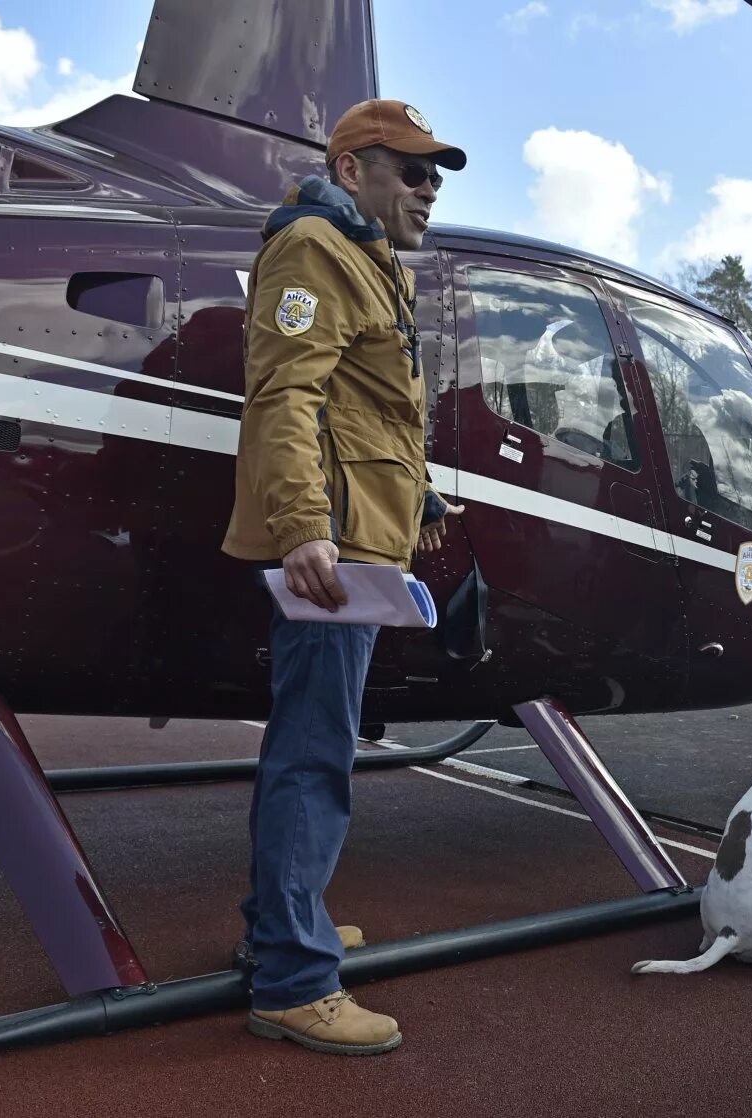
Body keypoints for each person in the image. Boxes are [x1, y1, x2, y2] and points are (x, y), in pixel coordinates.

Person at [221, 98, 467, 1055]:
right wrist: (304, 530)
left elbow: (370, 413)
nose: (429, 186)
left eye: (435, 172)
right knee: (315, 754)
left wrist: (422, 503)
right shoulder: (317, 248)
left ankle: (283, 923)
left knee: (315, 743)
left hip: (366, 534)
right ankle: (292, 978)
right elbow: (286, 394)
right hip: (335, 552)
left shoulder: (368, 259)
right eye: (411, 170)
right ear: (353, 166)